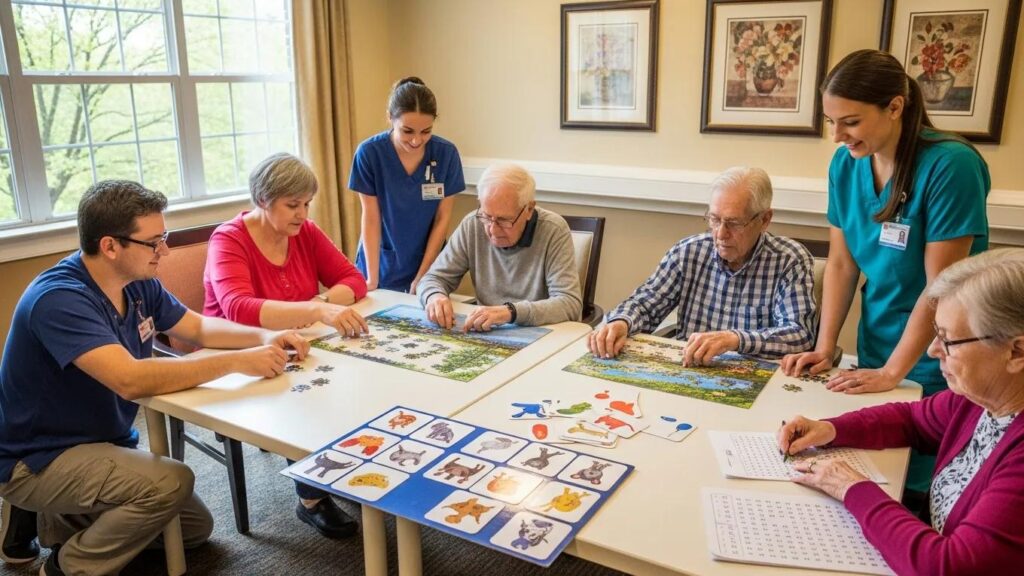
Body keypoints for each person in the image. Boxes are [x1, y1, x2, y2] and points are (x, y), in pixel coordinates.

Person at [0, 180, 309, 576]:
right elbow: (130, 380)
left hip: (101, 440)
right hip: (40, 454)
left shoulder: (137, 280)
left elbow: (196, 328)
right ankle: (64, 565)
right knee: (170, 482)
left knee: (194, 529)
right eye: (154, 242)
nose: (164, 250)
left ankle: (50, 517)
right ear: (110, 246)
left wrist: (266, 337)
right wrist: (236, 362)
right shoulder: (58, 299)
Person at [780, 49, 990, 498]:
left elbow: (942, 286)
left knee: (927, 492)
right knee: (874, 471)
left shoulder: (951, 166)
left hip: (943, 355)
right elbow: (841, 263)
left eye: (850, 122)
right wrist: (825, 345)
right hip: (877, 345)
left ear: (895, 107)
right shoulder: (845, 165)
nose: (837, 135)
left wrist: (897, 370)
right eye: (831, 121)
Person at [777, 248, 1024, 575]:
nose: (933, 350)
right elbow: (912, 420)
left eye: (948, 341)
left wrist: (853, 488)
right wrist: (830, 428)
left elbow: (947, 567)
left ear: (1016, 351)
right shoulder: (980, 399)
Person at [203, 153, 367, 539]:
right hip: (233, 353)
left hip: (298, 341)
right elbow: (237, 307)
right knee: (310, 397)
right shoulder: (229, 239)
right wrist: (314, 309)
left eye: (307, 203)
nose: (303, 213)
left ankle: (341, 467)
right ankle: (311, 498)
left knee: (352, 380)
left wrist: (321, 307)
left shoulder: (304, 232)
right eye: (293, 204)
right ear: (263, 199)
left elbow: (352, 278)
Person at [589, 166, 816, 366]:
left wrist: (734, 339)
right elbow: (645, 304)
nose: (721, 233)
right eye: (715, 219)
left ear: (764, 220)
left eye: (734, 223)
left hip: (755, 380)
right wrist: (621, 322)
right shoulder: (688, 251)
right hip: (689, 370)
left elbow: (798, 334)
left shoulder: (789, 259)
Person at [417, 163, 582, 331]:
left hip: (543, 333)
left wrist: (511, 312)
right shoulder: (472, 224)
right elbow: (432, 279)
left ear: (529, 209)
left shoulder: (554, 229)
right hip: (486, 332)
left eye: (504, 220)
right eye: (487, 216)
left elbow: (569, 303)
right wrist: (434, 297)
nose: (493, 230)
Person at [349, 77, 466, 293]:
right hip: (381, 261)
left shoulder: (446, 154)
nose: (416, 140)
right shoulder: (370, 154)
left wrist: (423, 276)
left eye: (426, 131)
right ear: (390, 118)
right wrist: (372, 280)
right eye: (407, 131)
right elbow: (371, 217)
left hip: (429, 261)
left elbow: (442, 219)